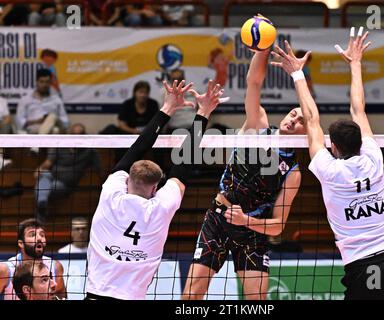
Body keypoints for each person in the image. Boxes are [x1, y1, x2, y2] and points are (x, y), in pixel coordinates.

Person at [271, 27, 384, 300]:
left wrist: (298, 74)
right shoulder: (373, 157)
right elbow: (358, 109)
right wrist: (355, 63)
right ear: (360, 141)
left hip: (361, 269)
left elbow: (311, 120)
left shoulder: (329, 170)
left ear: (333, 147)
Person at [183, 28, 305, 300]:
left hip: (253, 230)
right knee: (192, 295)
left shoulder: (293, 172)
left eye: (300, 122)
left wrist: (246, 220)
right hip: (218, 219)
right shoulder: (257, 125)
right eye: (293, 114)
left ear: (306, 134)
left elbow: (277, 226)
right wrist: (262, 49)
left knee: (256, 301)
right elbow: (254, 83)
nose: (292, 120)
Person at [86, 80, 225, 300]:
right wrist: (204, 111)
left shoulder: (110, 194)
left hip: (95, 295)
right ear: (155, 190)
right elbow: (185, 161)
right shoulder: (161, 207)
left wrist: (167, 108)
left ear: (127, 178)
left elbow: (138, 147)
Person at [34, 123, 102, 223]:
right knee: (45, 175)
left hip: (65, 184)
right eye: (74, 135)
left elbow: (100, 170)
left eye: (80, 135)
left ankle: (41, 206)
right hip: (51, 176)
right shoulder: (60, 145)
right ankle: (42, 203)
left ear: (84, 136)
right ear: (70, 135)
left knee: (44, 187)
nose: (77, 138)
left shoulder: (89, 151)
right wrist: (38, 170)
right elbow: (48, 162)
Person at [0, 219, 66, 300]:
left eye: (42, 235)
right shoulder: (5, 270)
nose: (39, 238)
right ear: (21, 243)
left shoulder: (55, 266)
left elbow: (62, 297)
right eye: (32, 235)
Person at [15, 68, 69, 135]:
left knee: (52, 117)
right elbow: (19, 121)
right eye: (42, 82)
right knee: (53, 130)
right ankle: (41, 139)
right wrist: (37, 121)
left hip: (54, 126)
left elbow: (65, 121)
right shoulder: (26, 99)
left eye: (47, 82)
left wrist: (51, 120)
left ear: (50, 83)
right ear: (36, 82)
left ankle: (38, 142)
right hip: (33, 127)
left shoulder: (56, 99)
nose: (44, 85)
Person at [0, 95, 13, 170]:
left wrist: (1, 124)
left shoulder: (2, 101)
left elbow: (8, 118)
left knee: (7, 126)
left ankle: (0, 158)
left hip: (1, 125)